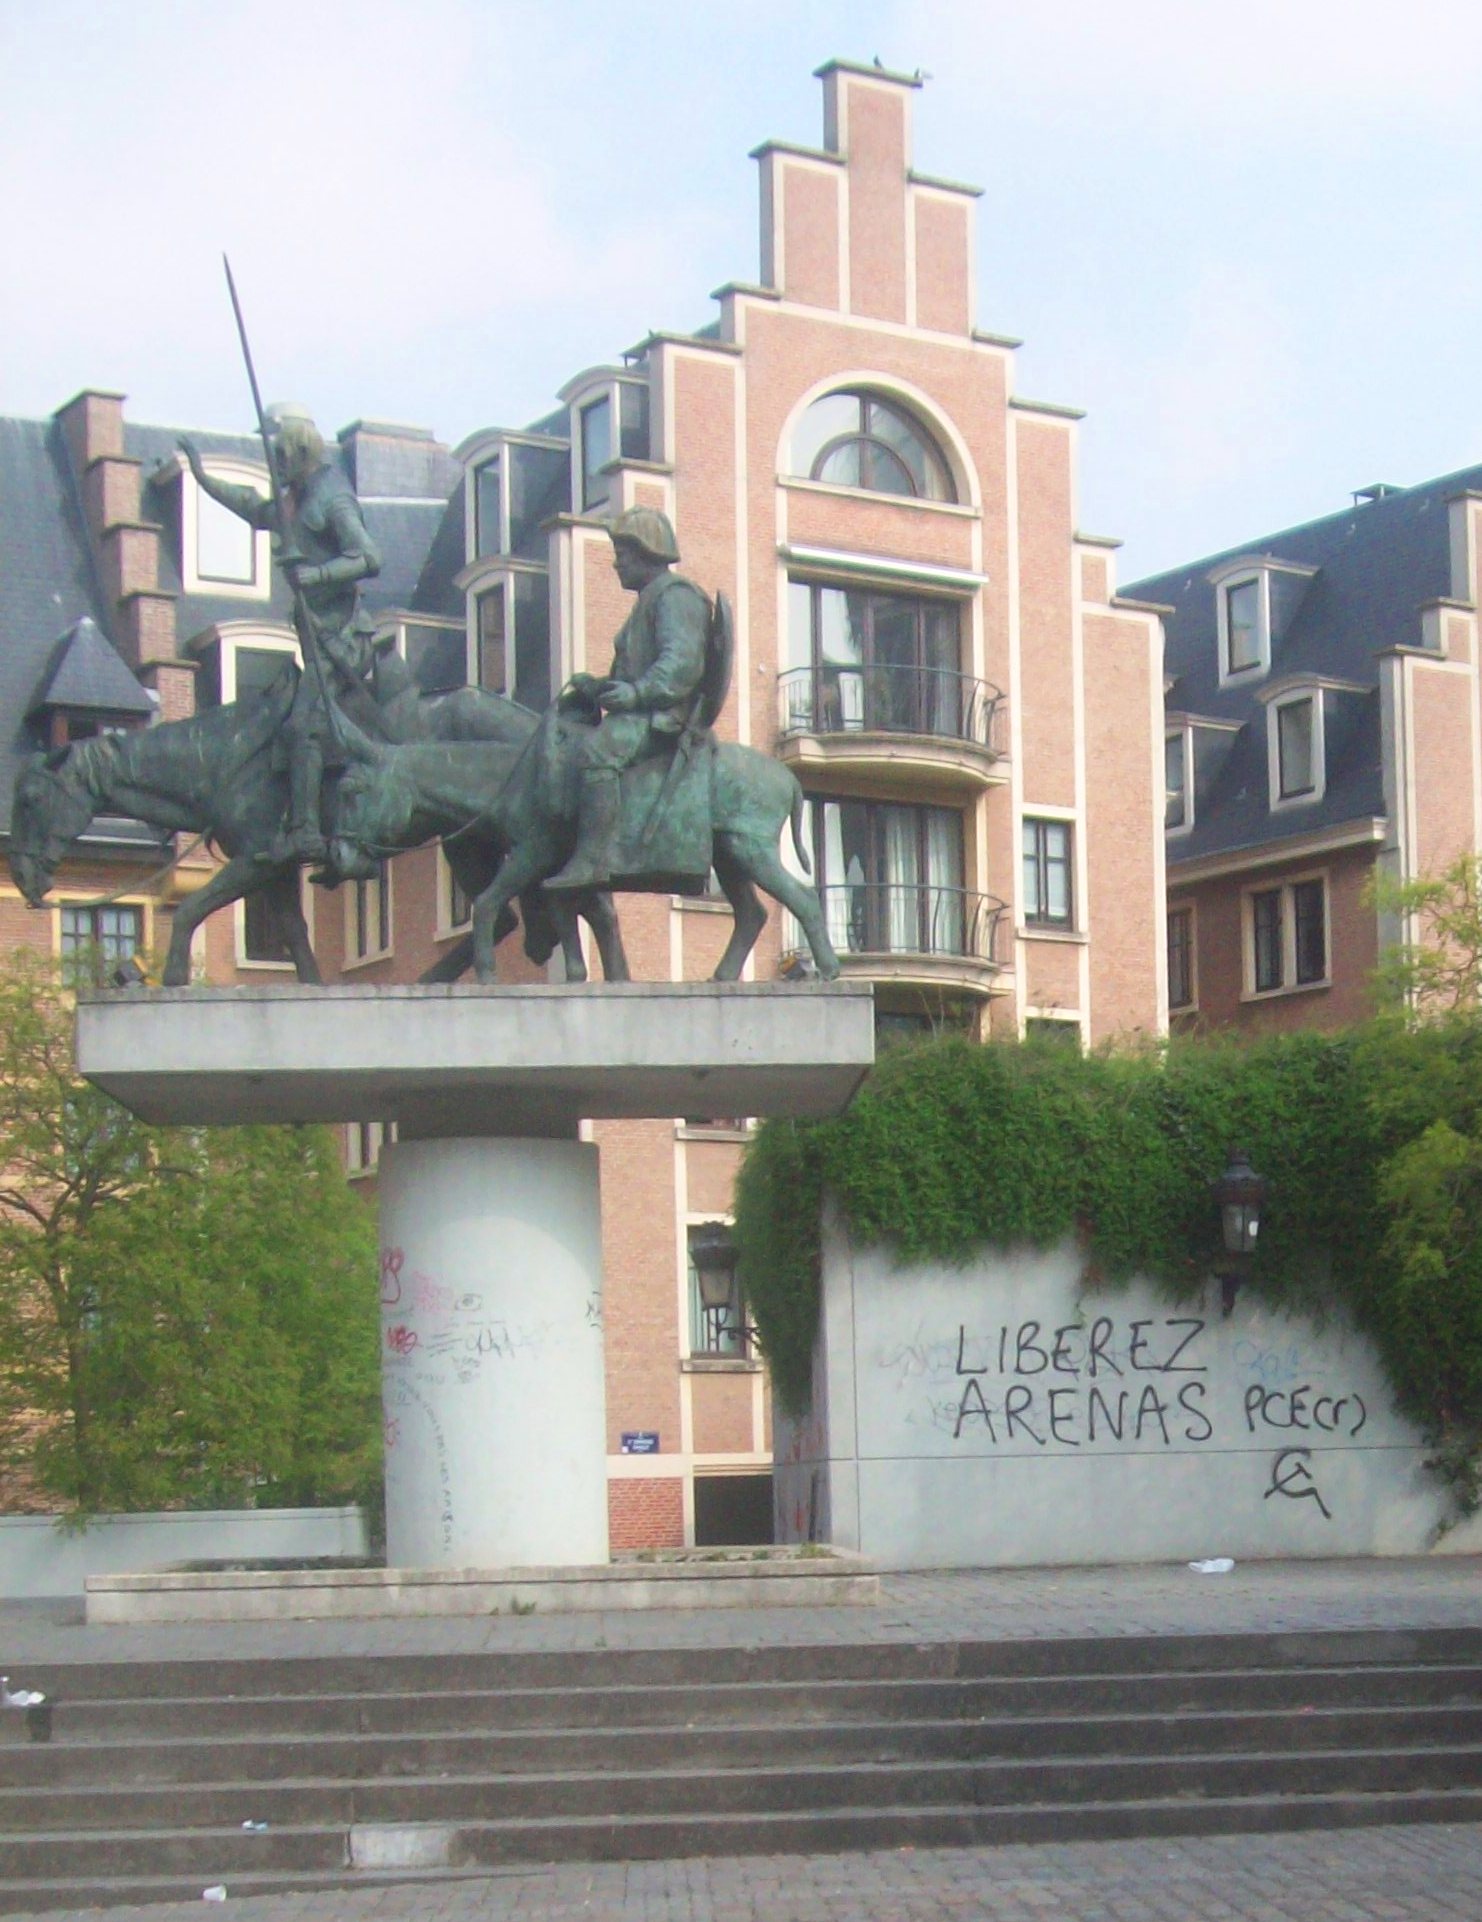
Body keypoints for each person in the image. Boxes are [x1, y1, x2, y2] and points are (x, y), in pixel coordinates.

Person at [178, 414, 382, 865]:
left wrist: (319, 573)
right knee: (283, 720)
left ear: (300, 454)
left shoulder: (333, 498)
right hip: (316, 639)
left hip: (343, 639)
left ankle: (306, 832)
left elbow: (370, 556)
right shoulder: (295, 502)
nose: (277, 465)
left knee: (302, 725)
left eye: (282, 456)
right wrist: (203, 478)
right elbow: (254, 506)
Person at [546, 507, 710, 891]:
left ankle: (593, 859)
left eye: (622, 555)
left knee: (596, 751)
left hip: (665, 717)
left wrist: (636, 693)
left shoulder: (676, 597)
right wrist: (600, 686)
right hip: (644, 709)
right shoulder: (649, 600)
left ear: (647, 553)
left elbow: (681, 663)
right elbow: (639, 669)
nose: (616, 565)